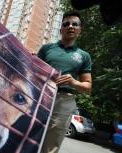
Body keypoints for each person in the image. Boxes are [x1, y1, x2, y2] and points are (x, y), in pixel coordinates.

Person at [37, 11, 92, 153]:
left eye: (75, 24)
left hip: (65, 100)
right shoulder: (46, 48)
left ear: (80, 29)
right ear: (61, 29)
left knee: (52, 141)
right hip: (40, 95)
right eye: (66, 24)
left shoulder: (84, 56)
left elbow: (87, 87)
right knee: (29, 131)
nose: (70, 26)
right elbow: (35, 72)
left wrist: (74, 82)